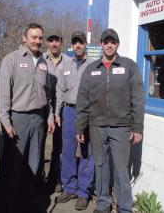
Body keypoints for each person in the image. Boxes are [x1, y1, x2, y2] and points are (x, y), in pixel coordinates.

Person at [76, 28, 145, 213]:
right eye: (106, 42)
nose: (109, 45)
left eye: (113, 42)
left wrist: (137, 127)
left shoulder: (130, 67)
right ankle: (103, 204)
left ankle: (124, 208)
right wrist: (80, 127)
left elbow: (138, 99)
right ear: (100, 44)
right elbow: (83, 100)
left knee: (121, 170)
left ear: (117, 44)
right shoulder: (91, 70)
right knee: (100, 166)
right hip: (96, 126)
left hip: (121, 128)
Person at [0, 23, 55, 213]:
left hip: (38, 119)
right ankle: (10, 205)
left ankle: (27, 202)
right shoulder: (11, 60)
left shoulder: (43, 63)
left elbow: (47, 94)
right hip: (18, 119)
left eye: (40, 38)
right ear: (24, 38)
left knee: (34, 163)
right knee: (14, 166)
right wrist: (5, 122)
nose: (38, 41)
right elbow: (3, 95)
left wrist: (50, 117)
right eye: (34, 37)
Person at [55, 31, 94, 211]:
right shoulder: (66, 65)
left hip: (87, 112)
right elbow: (60, 91)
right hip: (69, 112)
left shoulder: (93, 65)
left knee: (86, 151)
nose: (78, 45)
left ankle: (83, 192)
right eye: (75, 42)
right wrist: (57, 112)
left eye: (81, 42)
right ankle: (68, 187)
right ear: (72, 45)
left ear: (86, 44)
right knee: (68, 150)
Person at [42, 31, 70, 192]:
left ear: (61, 43)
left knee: (59, 146)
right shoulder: (39, 59)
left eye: (57, 41)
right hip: (42, 108)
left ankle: (55, 177)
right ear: (47, 43)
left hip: (61, 109)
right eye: (51, 40)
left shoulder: (69, 61)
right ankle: (39, 178)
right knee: (39, 146)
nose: (54, 44)